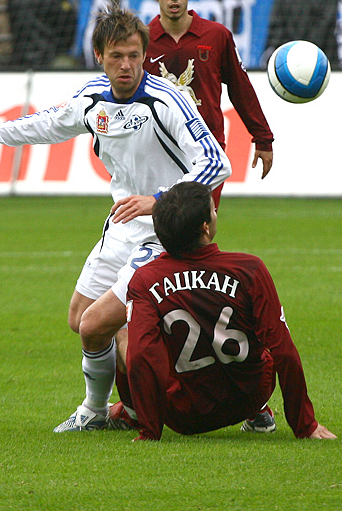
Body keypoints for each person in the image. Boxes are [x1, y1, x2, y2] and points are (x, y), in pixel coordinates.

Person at [0, 0, 232, 433]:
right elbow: (46, 123)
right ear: (99, 56)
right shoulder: (92, 98)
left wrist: (159, 200)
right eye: (117, 56)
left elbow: (216, 162)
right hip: (122, 228)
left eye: (134, 55)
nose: (126, 65)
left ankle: (121, 408)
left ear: (144, 54)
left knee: (108, 325)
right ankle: (128, 405)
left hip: (164, 233)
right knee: (81, 318)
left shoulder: (167, 101)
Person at [122, 181, 337, 441]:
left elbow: (141, 356)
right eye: (213, 210)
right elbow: (283, 351)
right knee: (264, 343)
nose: (216, 214)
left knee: (124, 335)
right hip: (251, 396)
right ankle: (260, 414)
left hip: (183, 415)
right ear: (205, 227)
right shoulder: (249, 269)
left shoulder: (145, 279)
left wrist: (150, 431)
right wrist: (306, 425)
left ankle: (129, 415)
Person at [144, 0, 274, 208]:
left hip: (206, 149)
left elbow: (241, 89)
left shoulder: (216, 35)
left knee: (201, 222)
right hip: (158, 148)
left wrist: (263, 138)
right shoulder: (142, 40)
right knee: (160, 224)